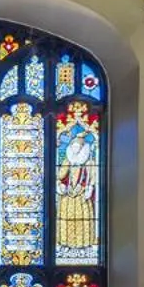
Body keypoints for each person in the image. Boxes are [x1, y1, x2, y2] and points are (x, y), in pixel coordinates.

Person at [56, 103, 99, 253]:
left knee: (83, 219)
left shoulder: (89, 162)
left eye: (77, 147)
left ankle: (83, 245)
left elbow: (92, 178)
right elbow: (60, 175)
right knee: (66, 219)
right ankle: (66, 244)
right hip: (68, 194)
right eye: (73, 147)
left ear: (82, 148)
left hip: (82, 196)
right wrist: (59, 184)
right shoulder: (68, 161)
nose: (75, 149)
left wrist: (90, 188)